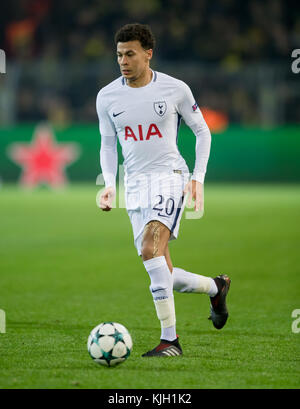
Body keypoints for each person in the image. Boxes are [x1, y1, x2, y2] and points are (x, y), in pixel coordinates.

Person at [97, 23, 231, 357]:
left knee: (149, 247)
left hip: (170, 177)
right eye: (119, 55)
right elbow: (108, 144)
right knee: (161, 270)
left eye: (130, 54)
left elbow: (203, 132)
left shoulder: (175, 89)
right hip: (136, 186)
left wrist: (197, 177)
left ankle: (170, 341)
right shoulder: (107, 96)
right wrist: (109, 184)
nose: (123, 61)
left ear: (147, 54)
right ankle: (217, 287)